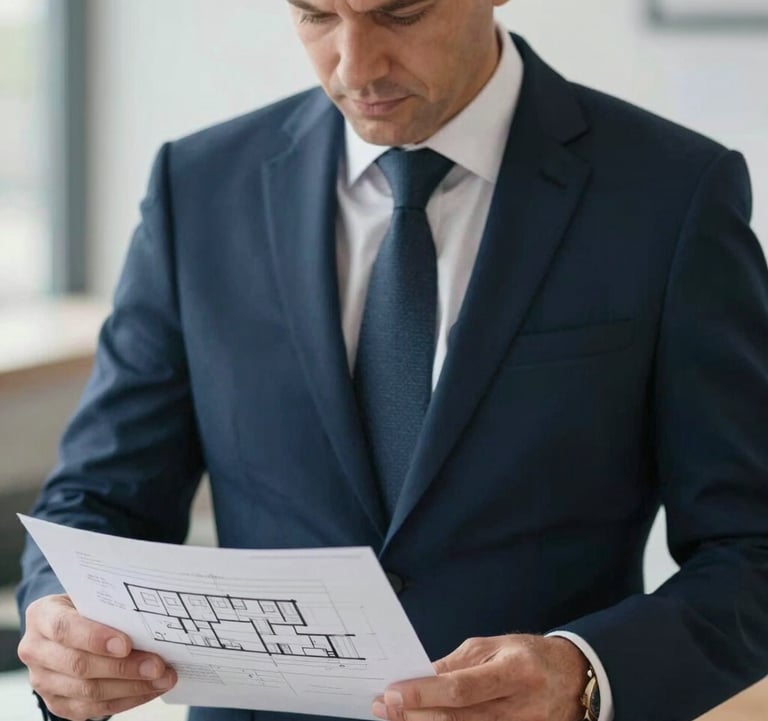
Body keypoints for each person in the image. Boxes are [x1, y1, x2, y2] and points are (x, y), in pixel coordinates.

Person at [15, 1, 768, 720]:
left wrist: (585, 672)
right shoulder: (199, 187)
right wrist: (59, 619)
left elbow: (750, 549)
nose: (354, 66)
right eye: (314, 14)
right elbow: (101, 496)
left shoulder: (671, 195)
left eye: (400, 13)